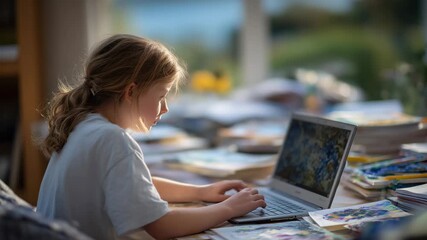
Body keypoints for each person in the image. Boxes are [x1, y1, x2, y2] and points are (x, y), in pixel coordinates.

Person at [36, 34, 266, 240]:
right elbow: (161, 226)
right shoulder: (112, 138)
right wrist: (229, 209)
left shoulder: (84, 125)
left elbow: (134, 185)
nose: (165, 108)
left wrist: (200, 192)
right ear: (131, 92)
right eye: (161, 96)